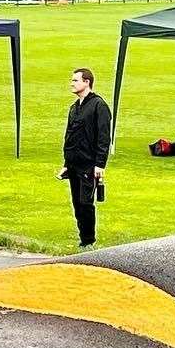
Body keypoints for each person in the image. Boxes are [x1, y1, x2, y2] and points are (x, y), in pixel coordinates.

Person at [59, 67, 111, 248]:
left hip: (89, 164)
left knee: (85, 202)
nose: (71, 84)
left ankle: (88, 240)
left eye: (75, 80)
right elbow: (70, 136)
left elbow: (104, 137)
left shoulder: (99, 105)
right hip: (74, 164)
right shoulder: (74, 108)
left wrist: (100, 164)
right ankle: (83, 237)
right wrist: (66, 163)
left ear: (86, 82)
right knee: (76, 202)